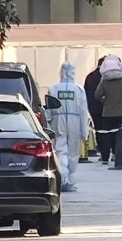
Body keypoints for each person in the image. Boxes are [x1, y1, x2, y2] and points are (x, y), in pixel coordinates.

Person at [46, 62, 89, 191]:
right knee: (73, 151)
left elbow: (48, 109)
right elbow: (83, 111)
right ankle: (67, 176)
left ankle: (63, 176)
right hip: (74, 122)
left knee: (60, 149)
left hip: (58, 121)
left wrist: (48, 123)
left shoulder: (54, 89)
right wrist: (84, 130)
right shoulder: (79, 90)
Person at [94, 55, 122, 164]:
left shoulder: (104, 81)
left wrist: (104, 99)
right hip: (121, 112)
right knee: (119, 135)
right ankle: (117, 156)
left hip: (107, 112)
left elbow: (97, 95)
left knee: (107, 135)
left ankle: (105, 157)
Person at [84, 58, 105, 150]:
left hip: (93, 107)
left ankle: (101, 148)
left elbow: (86, 92)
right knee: (108, 129)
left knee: (98, 128)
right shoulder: (105, 77)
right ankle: (108, 149)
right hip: (106, 107)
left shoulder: (90, 77)